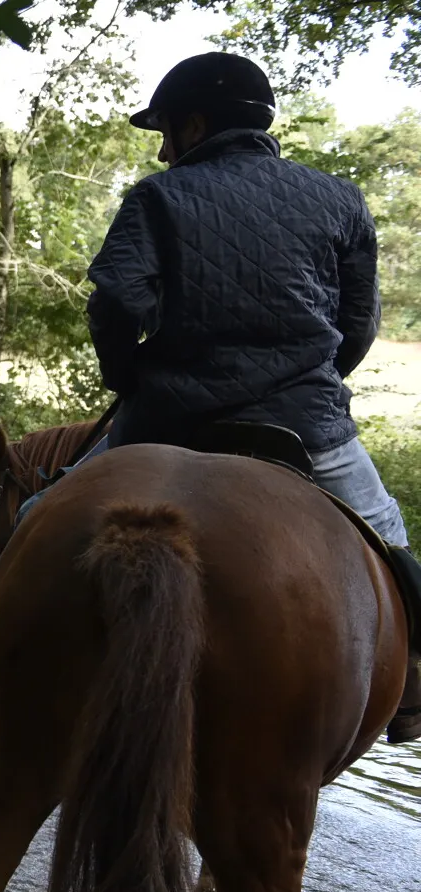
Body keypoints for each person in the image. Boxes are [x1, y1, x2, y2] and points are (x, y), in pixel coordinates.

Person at [42, 52, 417, 739]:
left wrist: (131, 378)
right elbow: (359, 324)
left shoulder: (157, 197)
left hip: (167, 418)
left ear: (193, 125)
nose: (160, 149)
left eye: (163, 132)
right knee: (391, 542)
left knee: (40, 511)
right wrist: (317, 381)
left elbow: (117, 303)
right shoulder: (340, 199)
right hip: (307, 425)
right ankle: (414, 690)